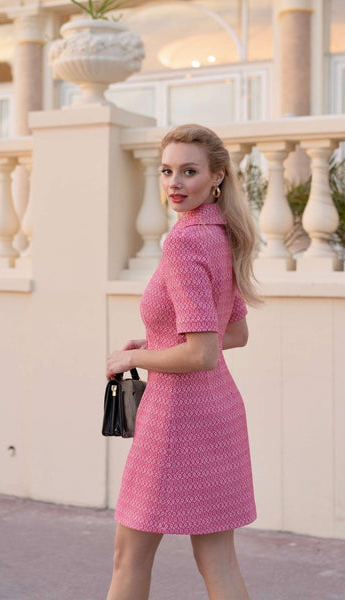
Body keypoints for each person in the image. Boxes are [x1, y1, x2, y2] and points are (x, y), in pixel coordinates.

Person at [106, 124, 260, 600]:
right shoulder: (222, 234)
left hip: (176, 418)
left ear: (216, 177)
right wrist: (157, 338)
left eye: (189, 171)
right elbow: (233, 332)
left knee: (129, 557)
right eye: (167, 171)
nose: (175, 182)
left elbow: (202, 351)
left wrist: (134, 355)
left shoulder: (184, 243)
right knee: (218, 561)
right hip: (219, 412)